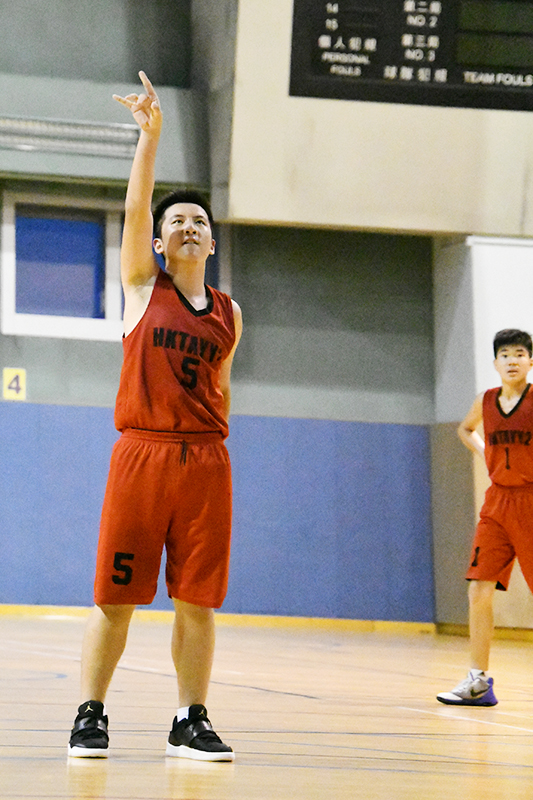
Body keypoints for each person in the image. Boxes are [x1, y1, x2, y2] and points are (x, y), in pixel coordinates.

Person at [67, 71, 242, 760]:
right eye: (177, 223)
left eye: (199, 221)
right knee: (116, 596)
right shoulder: (142, 287)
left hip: (205, 462)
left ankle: (189, 718)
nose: (188, 226)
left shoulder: (230, 314)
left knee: (198, 600)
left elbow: (221, 389)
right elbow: (137, 206)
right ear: (160, 244)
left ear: (211, 243)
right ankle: (90, 714)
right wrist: (150, 139)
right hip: (141, 454)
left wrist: (212, 451)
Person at [437, 328, 533, 706]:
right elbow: (465, 429)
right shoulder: (486, 401)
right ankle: (477, 681)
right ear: (495, 363)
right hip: (497, 504)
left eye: (519, 354)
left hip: (530, 500)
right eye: (505, 354)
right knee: (478, 589)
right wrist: (484, 452)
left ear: (530, 361)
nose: (512, 360)